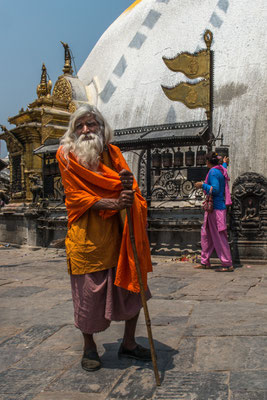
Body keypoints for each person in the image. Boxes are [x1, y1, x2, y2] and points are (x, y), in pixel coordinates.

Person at [56, 104, 153, 372]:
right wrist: (112, 203)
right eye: (80, 125)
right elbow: (75, 197)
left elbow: (131, 188)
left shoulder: (113, 153)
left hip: (121, 234)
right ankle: (89, 347)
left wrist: (127, 188)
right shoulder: (66, 156)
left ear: (101, 127)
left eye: (91, 124)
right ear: (73, 131)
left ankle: (129, 343)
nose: (86, 130)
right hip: (88, 236)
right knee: (88, 296)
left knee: (132, 288)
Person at [194, 152, 233, 272]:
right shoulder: (221, 169)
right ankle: (205, 261)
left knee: (219, 236)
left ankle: (227, 264)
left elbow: (215, 189)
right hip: (215, 209)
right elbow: (224, 169)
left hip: (216, 209)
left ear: (208, 162)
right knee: (206, 235)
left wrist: (202, 185)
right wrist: (225, 163)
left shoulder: (213, 172)